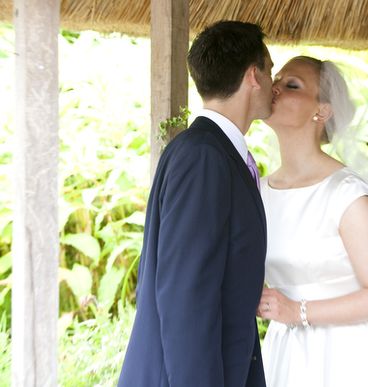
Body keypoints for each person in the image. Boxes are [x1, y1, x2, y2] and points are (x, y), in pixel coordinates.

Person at [256, 56, 368, 386]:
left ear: (321, 111)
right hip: (289, 355)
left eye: (292, 85)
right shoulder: (259, 191)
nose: (275, 87)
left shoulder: (345, 193)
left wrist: (298, 312)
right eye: (275, 79)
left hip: (354, 357)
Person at [118, 21, 273, 387]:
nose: (274, 85)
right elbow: (184, 294)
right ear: (253, 76)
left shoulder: (209, 150)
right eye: (271, 71)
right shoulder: (203, 156)